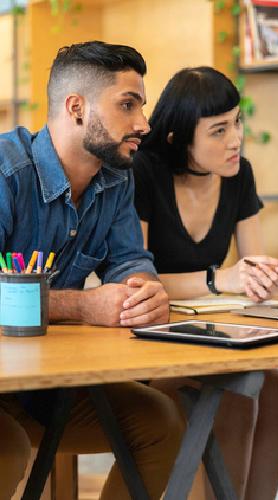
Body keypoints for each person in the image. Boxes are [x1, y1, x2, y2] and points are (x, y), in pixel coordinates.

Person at [0, 41, 185, 499]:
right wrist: (83, 306)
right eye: (128, 104)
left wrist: (144, 292)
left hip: (44, 387)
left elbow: (128, 261)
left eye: (141, 104)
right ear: (76, 107)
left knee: (159, 423)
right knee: (6, 449)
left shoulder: (116, 178)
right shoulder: (6, 174)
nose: (143, 122)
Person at [133, 66, 278, 499]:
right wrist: (221, 279)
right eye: (218, 130)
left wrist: (261, 280)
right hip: (150, 337)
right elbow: (137, 281)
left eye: (237, 122)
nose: (235, 139)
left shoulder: (239, 174)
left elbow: (252, 264)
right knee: (238, 389)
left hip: (212, 331)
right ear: (178, 138)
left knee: (276, 385)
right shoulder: (144, 173)